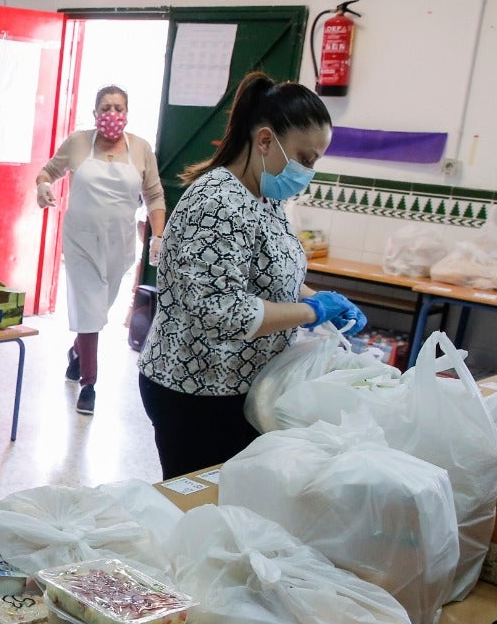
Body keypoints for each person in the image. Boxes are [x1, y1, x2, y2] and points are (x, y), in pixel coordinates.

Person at [137, 71, 365, 479]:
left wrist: (316, 298)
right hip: (196, 389)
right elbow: (222, 312)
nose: (309, 171)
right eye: (305, 159)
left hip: (241, 385)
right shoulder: (217, 202)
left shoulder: (263, 196)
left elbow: (272, 272)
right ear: (265, 141)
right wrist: (312, 312)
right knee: (203, 503)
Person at [35, 85, 165, 416]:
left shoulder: (141, 149)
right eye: (106, 108)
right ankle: (89, 384)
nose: (112, 114)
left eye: (119, 108)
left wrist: (158, 236)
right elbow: (48, 171)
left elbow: (154, 196)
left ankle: (77, 352)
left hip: (119, 245)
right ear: (95, 113)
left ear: (127, 113)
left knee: (97, 312)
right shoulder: (78, 142)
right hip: (81, 241)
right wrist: (43, 186)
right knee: (89, 307)